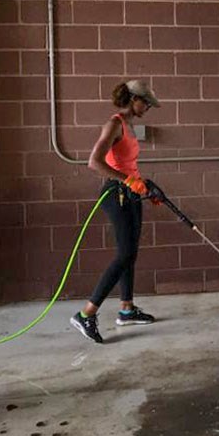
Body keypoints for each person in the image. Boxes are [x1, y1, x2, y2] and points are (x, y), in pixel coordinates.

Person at [70, 79, 160, 343]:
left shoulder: (130, 126)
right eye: (146, 103)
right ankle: (86, 314)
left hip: (131, 193)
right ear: (133, 99)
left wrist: (145, 187)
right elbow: (94, 162)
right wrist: (127, 181)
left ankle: (126, 309)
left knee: (131, 253)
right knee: (125, 254)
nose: (148, 108)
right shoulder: (115, 124)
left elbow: (128, 164)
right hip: (116, 194)